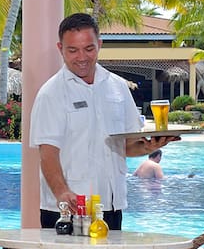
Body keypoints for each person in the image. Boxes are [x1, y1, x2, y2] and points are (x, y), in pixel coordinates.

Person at [30, 13, 175, 229]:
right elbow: (47, 153)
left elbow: (125, 146)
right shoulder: (51, 93)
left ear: (99, 44)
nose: (82, 57)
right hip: (68, 208)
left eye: (89, 48)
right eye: (73, 50)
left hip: (110, 206)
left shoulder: (118, 87)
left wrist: (149, 147)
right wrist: (62, 192)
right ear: (61, 49)